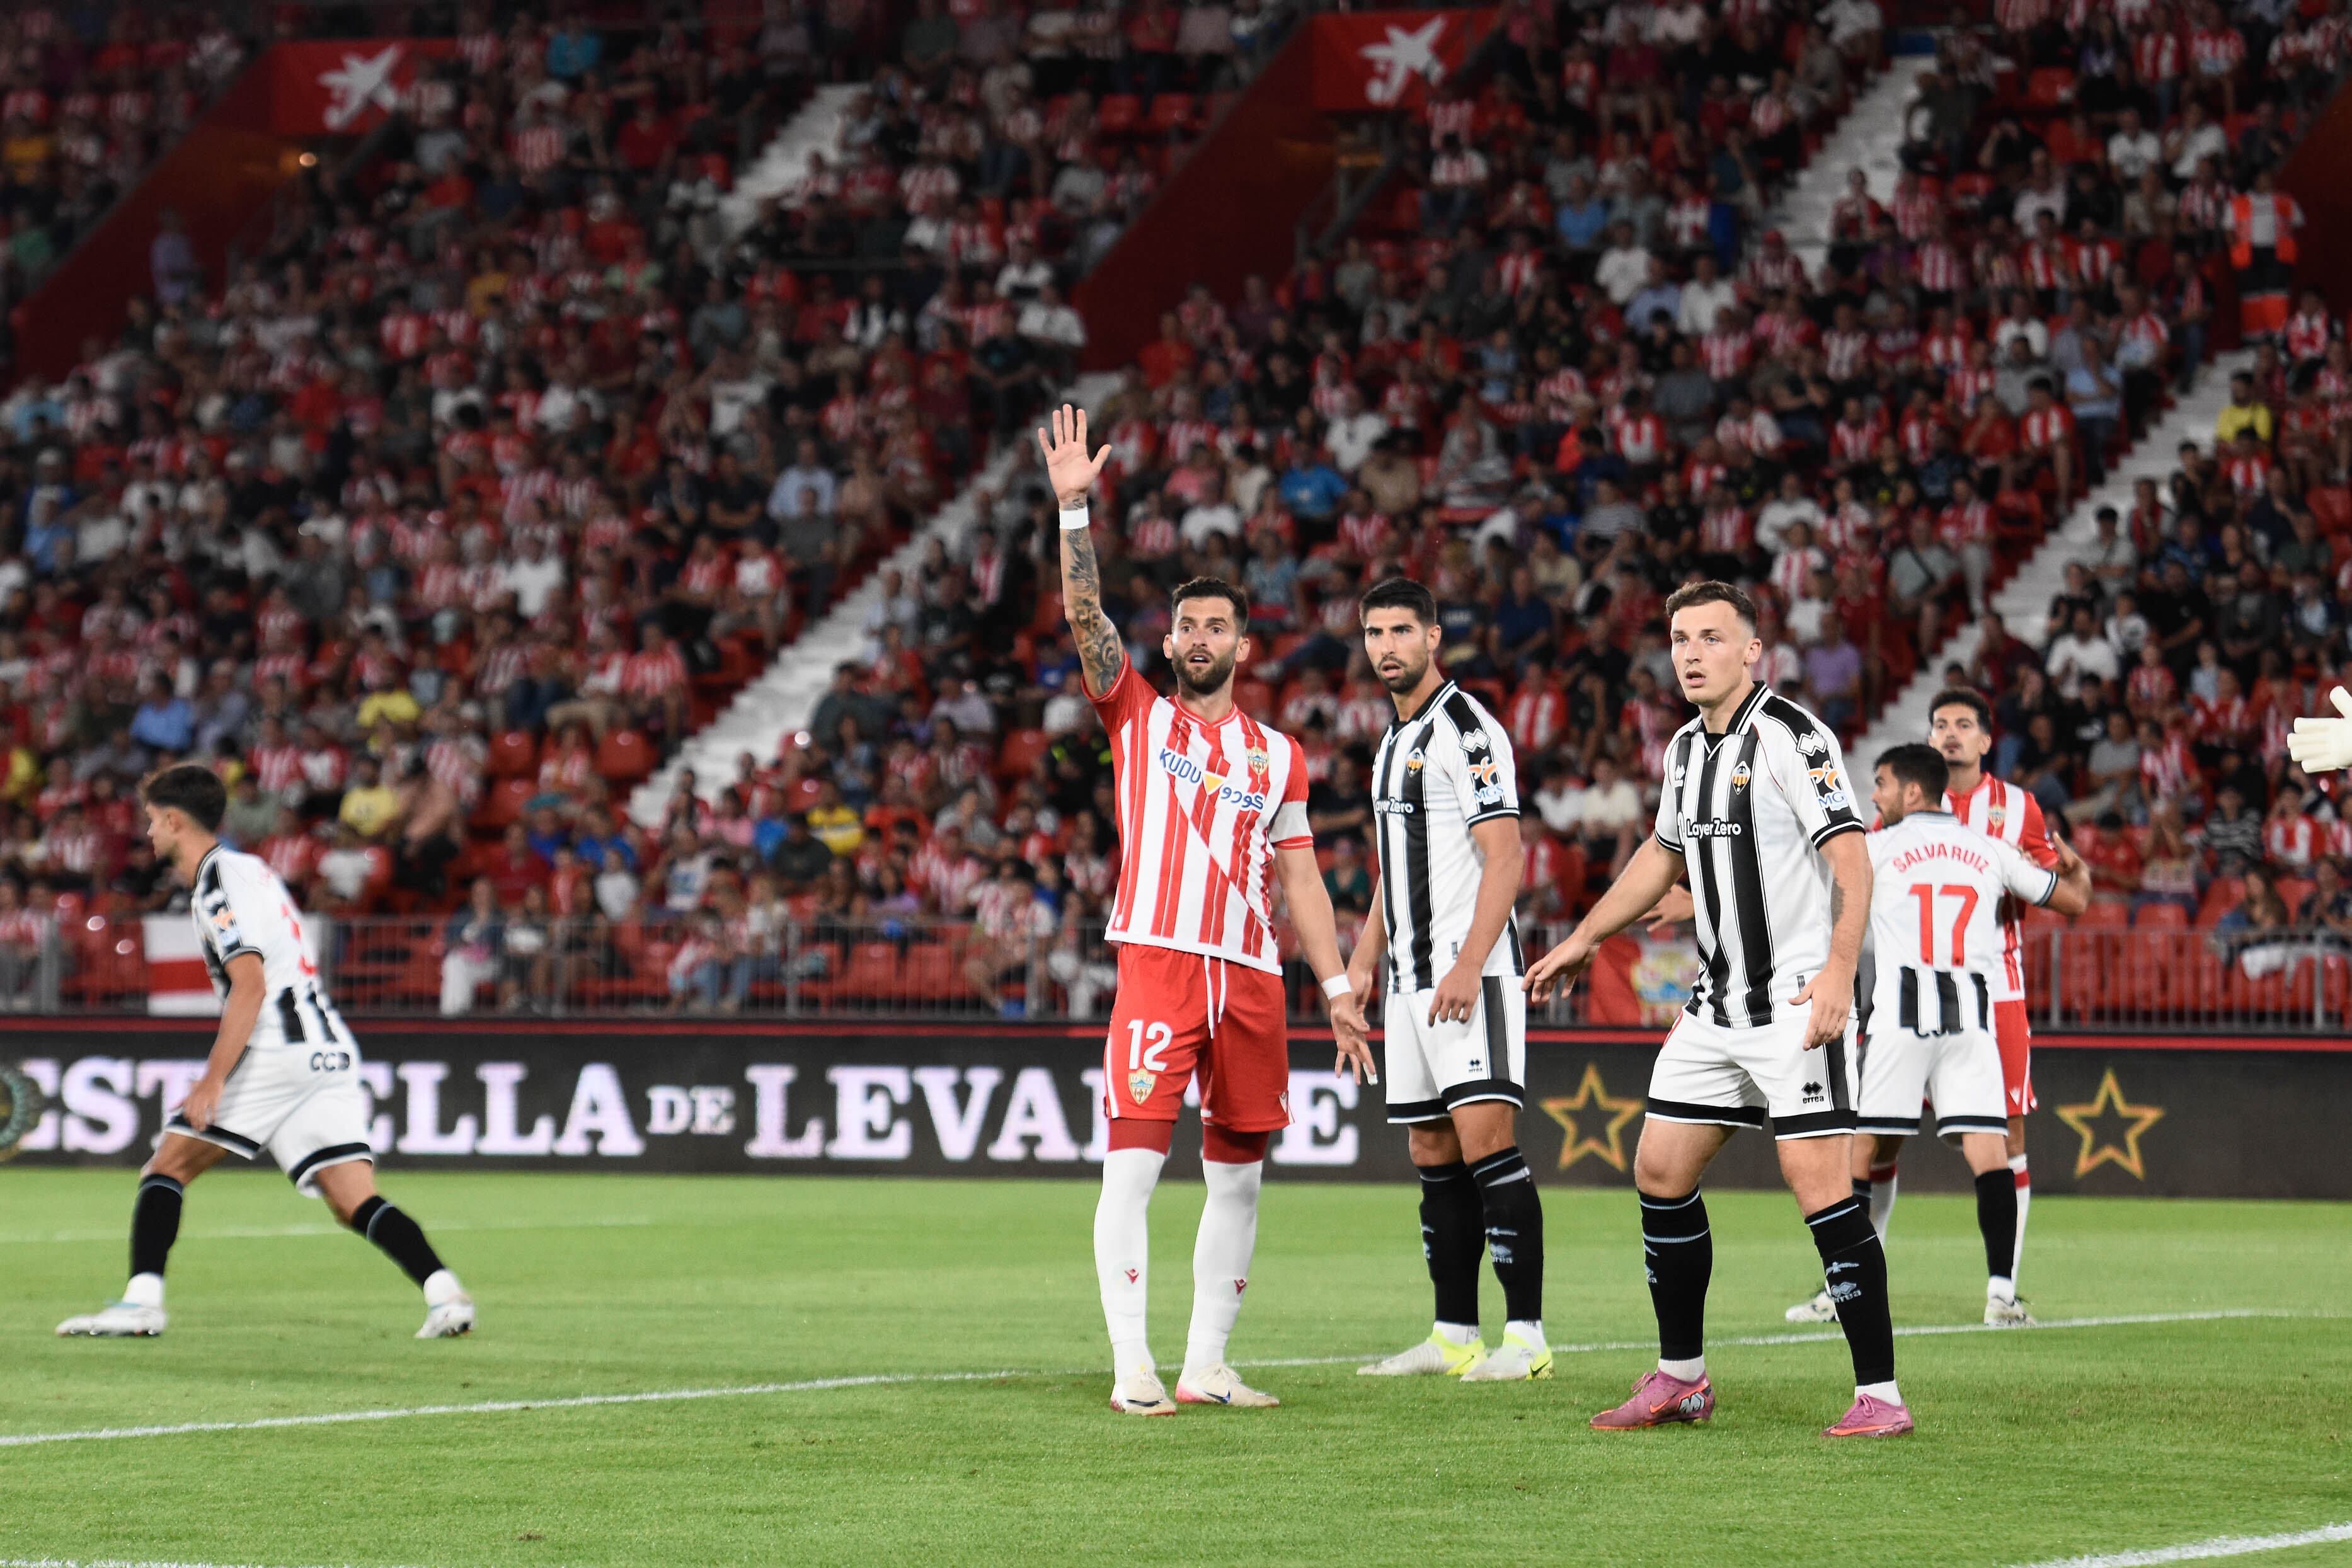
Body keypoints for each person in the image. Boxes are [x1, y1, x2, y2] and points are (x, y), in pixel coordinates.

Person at [1036, 405, 1372, 1416]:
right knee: (1132, 1167)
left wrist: (1342, 984)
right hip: (1159, 960)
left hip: (1253, 974)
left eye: (1214, 626)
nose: (1196, 638)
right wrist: (1073, 514)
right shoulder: (1136, 714)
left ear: (1242, 641)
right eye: (1184, 626)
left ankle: (1206, 1363)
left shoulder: (1279, 755)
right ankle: (1131, 1363)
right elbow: (1087, 622)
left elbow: (1302, 877)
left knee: (1239, 1178)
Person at [1523, 581, 1904, 1438]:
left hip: (1796, 998)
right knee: (1659, 1169)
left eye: (1709, 637)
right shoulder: (1685, 751)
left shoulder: (1793, 737)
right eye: (1679, 638)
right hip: (1716, 1003)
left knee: (1820, 1190)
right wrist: (1585, 936)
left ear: (1750, 650)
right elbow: (1661, 859)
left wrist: (1842, 971)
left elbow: (1852, 859)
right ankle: (1682, 1379)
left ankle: (1881, 1393)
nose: (1690, 653)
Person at [57, 765, 473, 1340]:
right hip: (326, 1047)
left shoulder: (218, 884)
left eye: (152, 820)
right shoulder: (250, 869)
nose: (147, 832)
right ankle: (444, 1292)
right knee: (351, 1197)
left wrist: (212, 1081)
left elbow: (249, 984)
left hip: (276, 1045)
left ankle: (141, 1302)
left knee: (167, 1165)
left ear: (176, 820)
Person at [1344, 577, 1544, 1383]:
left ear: (1434, 637)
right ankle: (1454, 1332)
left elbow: (1506, 852)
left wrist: (1467, 962)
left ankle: (1526, 1338)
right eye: (1373, 632)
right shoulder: (1393, 740)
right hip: (1407, 980)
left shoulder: (1468, 727)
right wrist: (1363, 958)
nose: (1386, 646)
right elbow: (1399, 869)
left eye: (1401, 630)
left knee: (1488, 1146)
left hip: (1474, 975)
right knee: (1432, 1149)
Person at [1845, 745, 2089, 1328]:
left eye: (1880, 784)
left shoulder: (1874, 848)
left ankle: (1847, 1288)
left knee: (1861, 1148)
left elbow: (1797, 890)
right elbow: (2072, 899)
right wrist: (2078, 872)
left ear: (1910, 792)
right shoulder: (1988, 848)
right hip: (1970, 1022)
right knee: (1989, 1151)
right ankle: (2001, 1295)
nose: (1873, 796)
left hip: (1901, 1019)